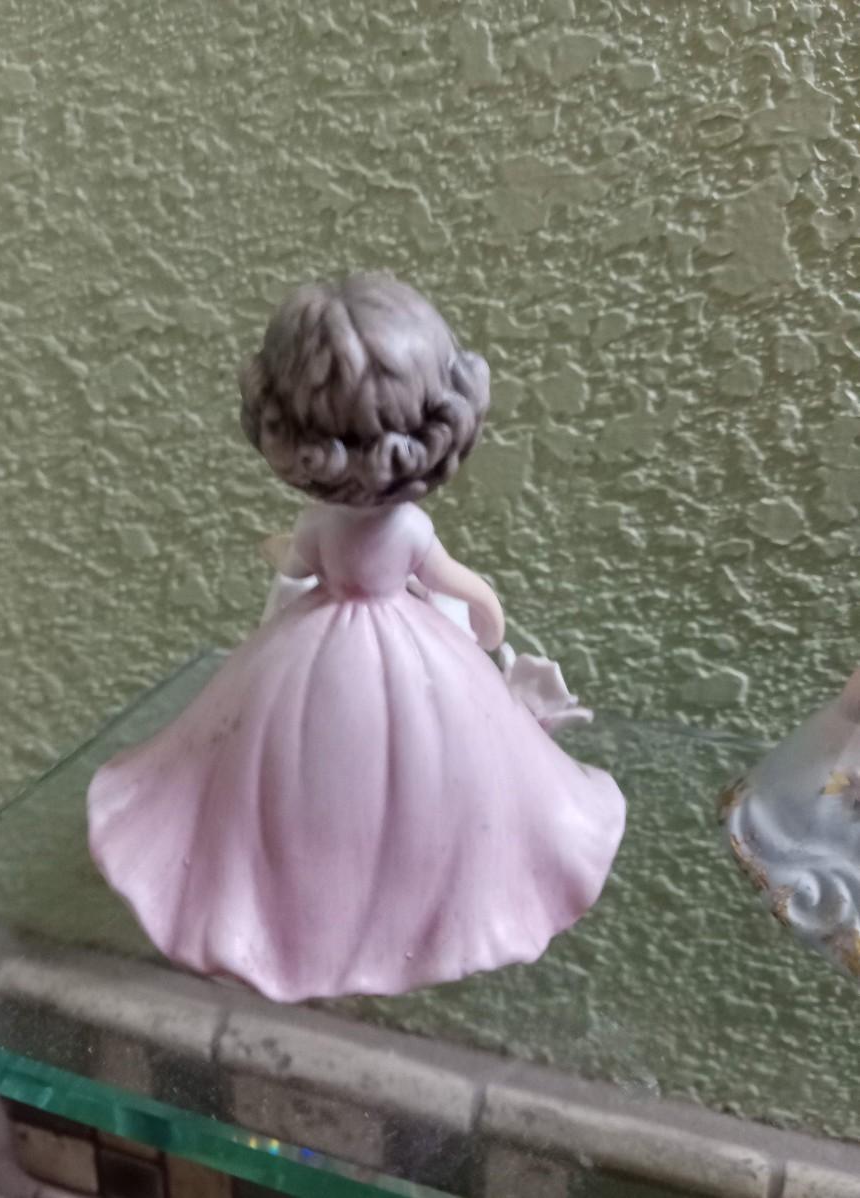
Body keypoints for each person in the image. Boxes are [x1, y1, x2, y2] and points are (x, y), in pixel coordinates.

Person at [88, 274, 625, 1002]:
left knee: (291, 776)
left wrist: (283, 556)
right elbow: (461, 586)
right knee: (430, 773)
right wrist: (488, 623)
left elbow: (297, 563)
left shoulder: (326, 523)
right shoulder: (408, 526)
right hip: (416, 655)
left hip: (309, 653)